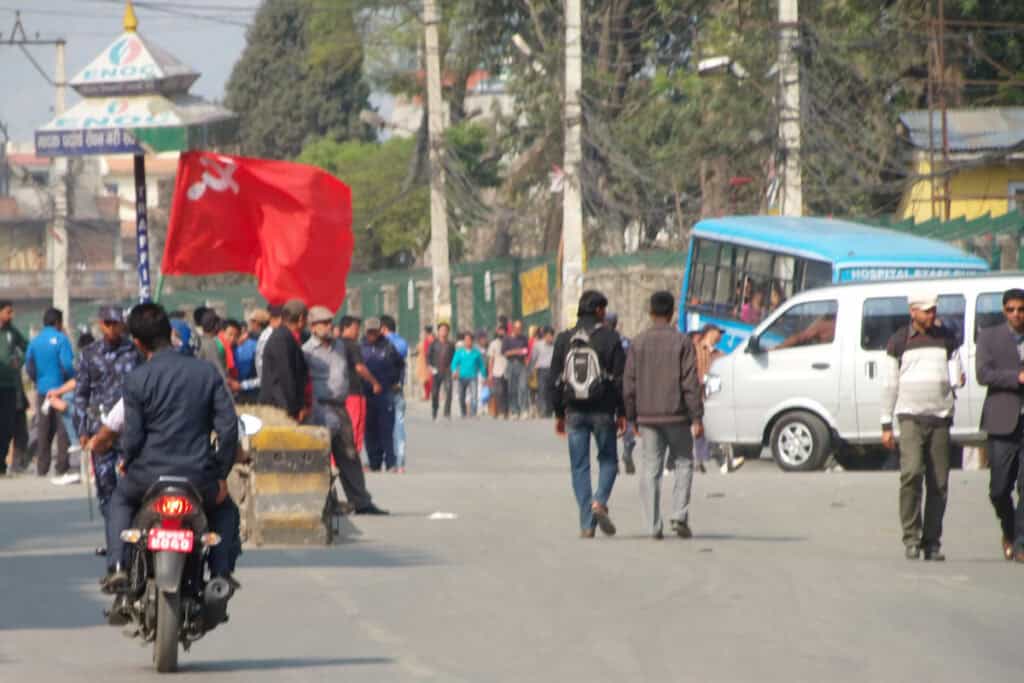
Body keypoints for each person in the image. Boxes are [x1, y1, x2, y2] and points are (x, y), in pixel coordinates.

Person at [102, 303, 240, 593]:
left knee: (120, 501)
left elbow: (134, 435)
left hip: (147, 477)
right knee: (225, 510)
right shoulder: (206, 373)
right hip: (199, 478)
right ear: (170, 334)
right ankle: (220, 573)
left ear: (138, 343)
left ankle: (118, 566)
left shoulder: (137, 379)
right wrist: (220, 473)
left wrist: (127, 460)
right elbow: (228, 430)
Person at [881, 293, 964, 561]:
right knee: (911, 473)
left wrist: (958, 378)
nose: (931, 315)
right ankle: (911, 537)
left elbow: (956, 375)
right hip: (910, 417)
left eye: (933, 311)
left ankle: (932, 542)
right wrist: (885, 423)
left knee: (939, 482)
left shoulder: (947, 338)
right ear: (913, 311)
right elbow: (890, 384)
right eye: (926, 311)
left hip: (939, 417)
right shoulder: (899, 341)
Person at [624, 291, 704, 540]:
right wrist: (697, 417)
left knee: (651, 468)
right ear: (671, 314)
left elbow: (629, 383)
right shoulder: (682, 342)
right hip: (677, 415)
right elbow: (690, 382)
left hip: (647, 416)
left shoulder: (638, 342)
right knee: (683, 462)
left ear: (651, 312)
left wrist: (631, 417)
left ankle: (653, 525)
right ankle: (679, 515)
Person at [548, 290, 627, 538]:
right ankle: (599, 501)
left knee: (579, 467)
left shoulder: (563, 339)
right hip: (603, 411)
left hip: (574, 412)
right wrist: (623, 412)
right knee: (609, 461)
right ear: (599, 311)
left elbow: (554, 380)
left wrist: (559, 413)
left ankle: (586, 523)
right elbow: (621, 381)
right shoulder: (611, 339)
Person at [303, 307, 387, 515]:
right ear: (313, 327)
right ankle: (326, 501)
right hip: (318, 408)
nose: (328, 326)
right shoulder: (306, 351)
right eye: (322, 323)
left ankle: (361, 501)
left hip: (340, 407)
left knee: (349, 455)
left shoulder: (341, 346)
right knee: (320, 457)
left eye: (329, 322)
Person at [74, 305, 143, 523]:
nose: (113, 328)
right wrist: (82, 429)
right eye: (109, 323)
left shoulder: (134, 352)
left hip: (129, 427)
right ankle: (113, 529)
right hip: (100, 427)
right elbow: (80, 395)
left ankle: (130, 528)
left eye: (117, 323)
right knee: (105, 483)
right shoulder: (89, 355)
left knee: (131, 480)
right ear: (100, 324)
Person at [975, 287, 1024, 563]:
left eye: (1021, 309)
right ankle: (1008, 529)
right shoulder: (990, 337)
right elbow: (983, 374)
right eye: (1011, 310)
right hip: (1002, 420)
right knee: (999, 489)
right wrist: (1015, 377)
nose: (1016, 315)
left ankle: (1021, 543)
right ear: (1004, 311)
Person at [26, 307, 75, 482]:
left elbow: (29, 365)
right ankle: (61, 467)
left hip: (42, 392)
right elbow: (68, 364)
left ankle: (42, 467)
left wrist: (39, 381)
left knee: (43, 428)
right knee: (63, 429)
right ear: (58, 323)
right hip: (61, 391)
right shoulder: (62, 339)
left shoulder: (35, 341)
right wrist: (69, 381)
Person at [692, 324, 744, 475]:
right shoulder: (694, 350)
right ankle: (719, 461)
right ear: (710, 332)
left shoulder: (720, 354)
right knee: (702, 430)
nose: (720, 336)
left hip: (713, 397)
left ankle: (707, 461)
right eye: (718, 333)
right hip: (696, 395)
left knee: (707, 430)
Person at [361, 318, 404, 472]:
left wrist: (396, 382)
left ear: (380, 331)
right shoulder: (361, 347)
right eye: (369, 331)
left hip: (384, 392)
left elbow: (400, 365)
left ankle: (391, 462)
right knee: (370, 428)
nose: (372, 334)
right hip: (366, 393)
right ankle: (374, 461)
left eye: (375, 331)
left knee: (386, 428)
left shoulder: (388, 347)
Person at [339, 316, 383, 459]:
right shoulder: (352, 345)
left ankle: (340, 457)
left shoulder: (335, 344)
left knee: (343, 425)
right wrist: (374, 382)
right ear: (346, 327)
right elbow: (359, 368)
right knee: (355, 425)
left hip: (340, 391)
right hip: (354, 392)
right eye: (355, 329)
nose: (357, 332)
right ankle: (353, 457)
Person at [259, 300, 310, 423]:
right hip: (279, 408)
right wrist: (295, 409)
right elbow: (286, 378)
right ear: (301, 318)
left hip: (282, 405)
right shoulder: (282, 339)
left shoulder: (286, 337)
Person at [606, 313, 636, 475]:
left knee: (608, 424)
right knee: (628, 419)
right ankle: (627, 448)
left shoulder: (600, 342)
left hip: (607, 389)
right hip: (625, 386)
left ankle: (613, 460)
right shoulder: (626, 342)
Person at [0, 301, 27, 476]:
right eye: (8, 312)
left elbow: (27, 347)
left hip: (9, 385)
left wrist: (20, 360)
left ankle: (1, 464)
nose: (11, 316)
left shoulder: (11, 331)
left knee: (7, 426)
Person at [380, 315, 409, 473]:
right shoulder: (402, 342)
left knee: (385, 425)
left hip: (384, 389)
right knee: (399, 425)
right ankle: (400, 462)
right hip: (398, 388)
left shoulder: (383, 343)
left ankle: (388, 461)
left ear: (383, 328)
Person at [235, 309, 267, 404]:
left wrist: (243, 385)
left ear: (256, 323)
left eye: (251, 321)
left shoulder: (253, 342)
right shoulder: (252, 339)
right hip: (253, 387)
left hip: (250, 388)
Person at [452, 331, 486, 417]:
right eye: (466, 340)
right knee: (461, 396)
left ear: (472, 341)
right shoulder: (459, 352)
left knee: (474, 396)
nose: (468, 342)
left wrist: (484, 376)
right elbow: (454, 363)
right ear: (464, 341)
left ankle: (473, 412)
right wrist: (454, 371)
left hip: (473, 377)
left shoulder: (476, 353)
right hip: (462, 377)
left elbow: (481, 365)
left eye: (469, 340)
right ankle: (463, 412)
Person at [428, 323, 456, 421]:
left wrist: (455, 369)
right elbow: (429, 357)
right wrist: (430, 367)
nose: (443, 332)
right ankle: (435, 410)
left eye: (445, 330)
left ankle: (447, 412)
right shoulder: (433, 344)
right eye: (442, 330)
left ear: (448, 332)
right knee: (435, 393)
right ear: (438, 331)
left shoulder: (451, 345)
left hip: (447, 371)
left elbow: (454, 358)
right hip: (436, 371)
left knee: (449, 390)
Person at [503, 320, 530, 419]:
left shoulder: (523, 338)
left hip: (521, 364)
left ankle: (524, 410)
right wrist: (516, 351)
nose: (519, 330)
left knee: (523, 387)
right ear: (513, 328)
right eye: (517, 328)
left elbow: (526, 350)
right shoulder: (507, 339)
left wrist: (524, 354)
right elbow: (505, 353)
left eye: (520, 328)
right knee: (512, 388)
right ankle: (514, 411)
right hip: (511, 364)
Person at [530, 327, 555, 419]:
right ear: (544, 336)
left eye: (551, 336)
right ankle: (542, 411)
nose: (549, 338)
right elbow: (533, 358)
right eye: (548, 336)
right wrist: (532, 369)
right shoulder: (538, 345)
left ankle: (550, 411)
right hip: (541, 370)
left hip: (552, 370)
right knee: (542, 391)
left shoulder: (555, 345)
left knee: (550, 391)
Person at [487, 326, 509, 418]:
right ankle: (499, 411)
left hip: (507, 371)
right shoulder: (493, 344)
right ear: (497, 332)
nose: (501, 333)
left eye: (503, 331)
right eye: (500, 331)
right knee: (498, 392)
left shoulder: (509, 342)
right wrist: (490, 373)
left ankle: (506, 411)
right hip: (497, 371)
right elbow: (491, 359)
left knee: (507, 392)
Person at [419, 325, 435, 401]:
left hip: (427, 361)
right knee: (427, 379)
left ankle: (429, 395)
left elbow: (426, 351)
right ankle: (428, 395)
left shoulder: (429, 339)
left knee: (428, 379)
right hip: (427, 361)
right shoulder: (431, 338)